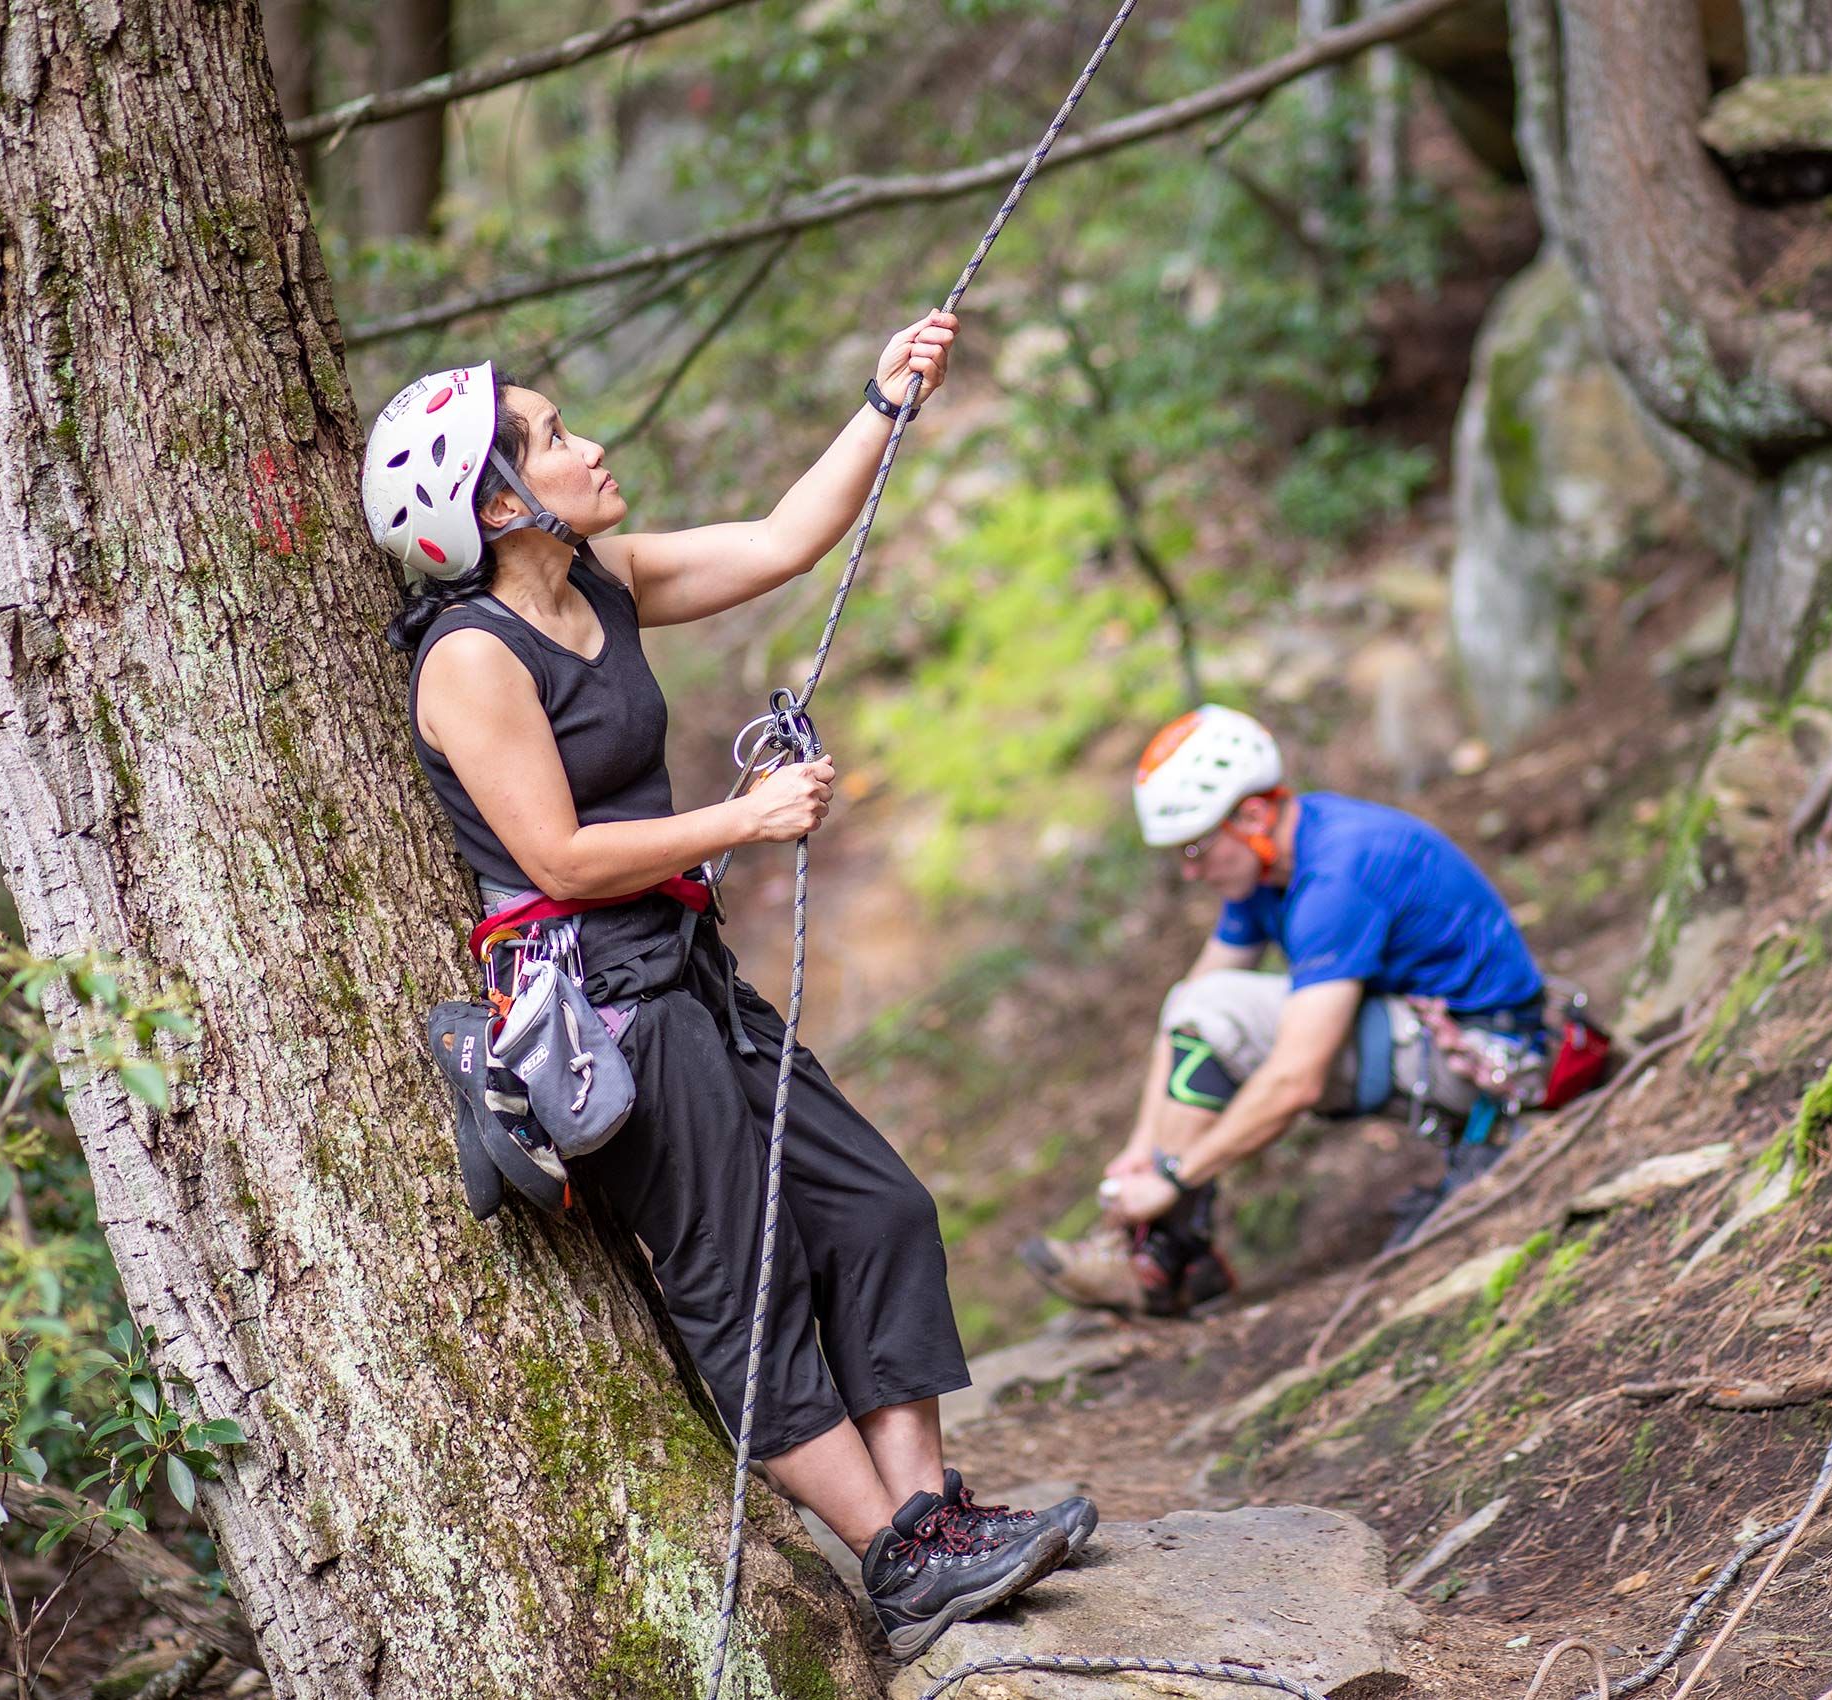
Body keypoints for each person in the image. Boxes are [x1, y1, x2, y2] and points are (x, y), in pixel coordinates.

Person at [363, 325, 1092, 1660]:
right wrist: (743, 817)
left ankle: (930, 1525)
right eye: (556, 438)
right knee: (742, 1279)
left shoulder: (602, 581)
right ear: (494, 504)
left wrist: (882, 397)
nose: (591, 446)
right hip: (609, 1005)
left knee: (875, 1207)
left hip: (686, 966)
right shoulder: (472, 656)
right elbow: (555, 858)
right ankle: (894, 1558)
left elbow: (782, 541)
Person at [1021, 705, 1551, 1318]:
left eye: (1195, 848)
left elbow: (1297, 1078)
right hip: (1429, 1035)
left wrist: (1173, 1179)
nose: (1189, 872)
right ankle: (1162, 1251)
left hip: (1496, 1061)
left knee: (1223, 1018)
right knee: (1202, 1007)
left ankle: (1161, 1258)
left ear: (1251, 815)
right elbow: (1187, 1007)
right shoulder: (1271, 861)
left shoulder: (1338, 875)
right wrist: (1143, 1146)